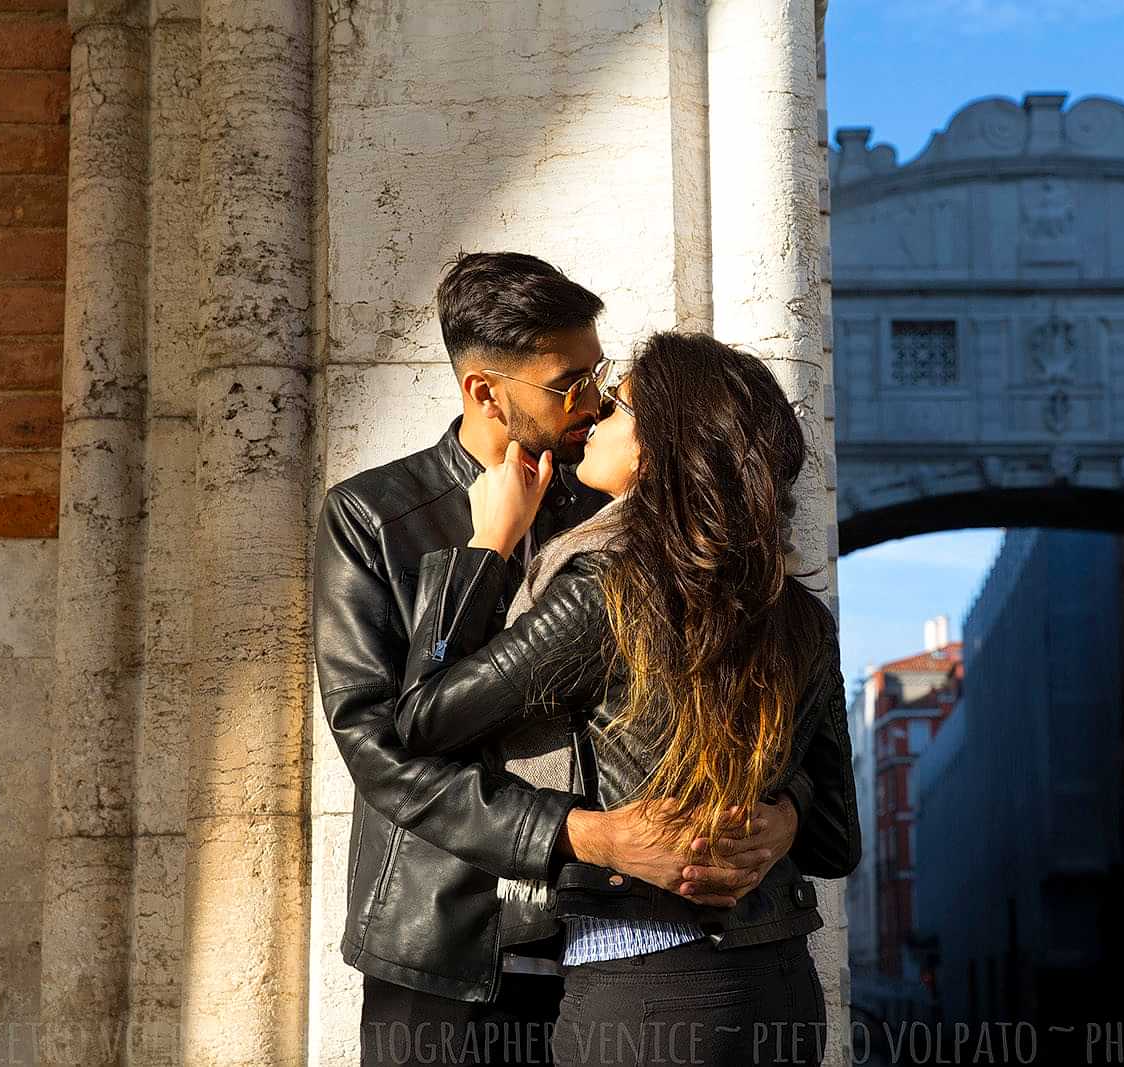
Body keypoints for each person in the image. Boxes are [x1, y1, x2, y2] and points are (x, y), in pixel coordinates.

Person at [312, 254, 826, 1066]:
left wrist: (785, 807)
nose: (593, 401)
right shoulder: (375, 516)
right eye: (569, 383)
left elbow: (750, 693)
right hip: (449, 948)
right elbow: (380, 746)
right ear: (485, 390)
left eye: (599, 375)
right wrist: (582, 834)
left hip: (623, 953)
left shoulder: (634, 506)